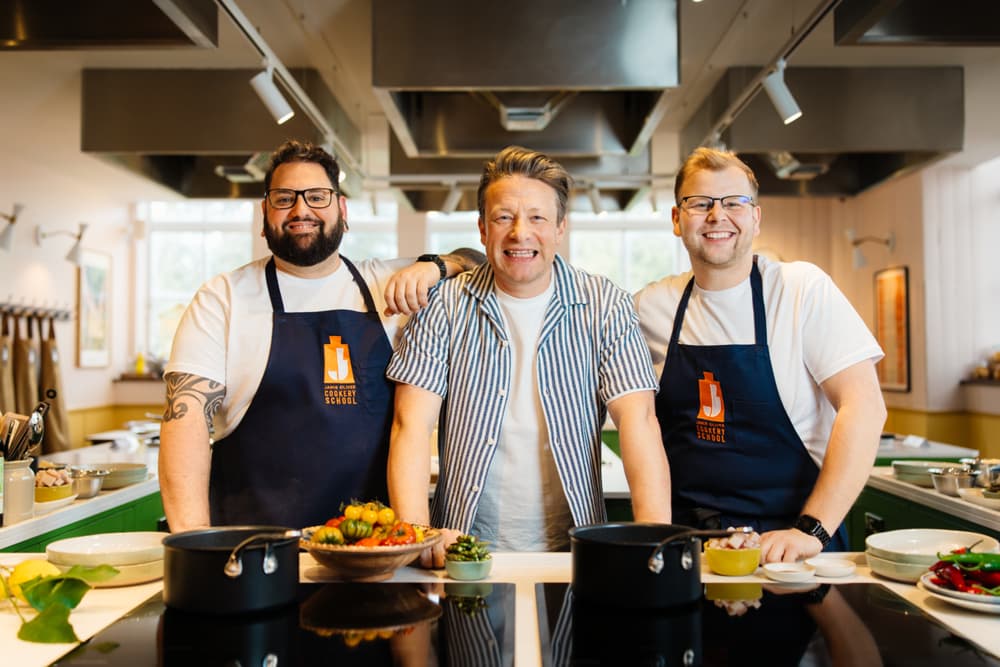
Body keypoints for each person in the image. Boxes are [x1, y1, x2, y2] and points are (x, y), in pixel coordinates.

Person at [159, 139, 480, 532]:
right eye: (283, 198)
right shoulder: (223, 299)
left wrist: (438, 266)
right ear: (265, 214)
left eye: (317, 196)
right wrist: (195, 545)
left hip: (372, 551)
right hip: (254, 550)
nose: (301, 210)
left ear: (342, 210)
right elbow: (184, 423)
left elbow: (479, 264)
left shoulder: (387, 283)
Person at [386, 145, 672, 566]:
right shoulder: (443, 305)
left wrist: (654, 546)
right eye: (504, 217)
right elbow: (409, 425)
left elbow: (639, 422)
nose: (520, 233)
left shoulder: (606, 305)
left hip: (577, 547)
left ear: (560, 228)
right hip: (461, 549)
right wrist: (418, 536)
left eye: (537, 217)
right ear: (482, 230)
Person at [633, 147, 886, 562]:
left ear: (756, 217)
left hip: (792, 547)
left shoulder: (800, 290)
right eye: (700, 203)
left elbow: (864, 406)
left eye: (734, 202)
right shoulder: (651, 306)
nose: (717, 216)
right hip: (689, 551)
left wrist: (813, 529)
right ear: (677, 221)